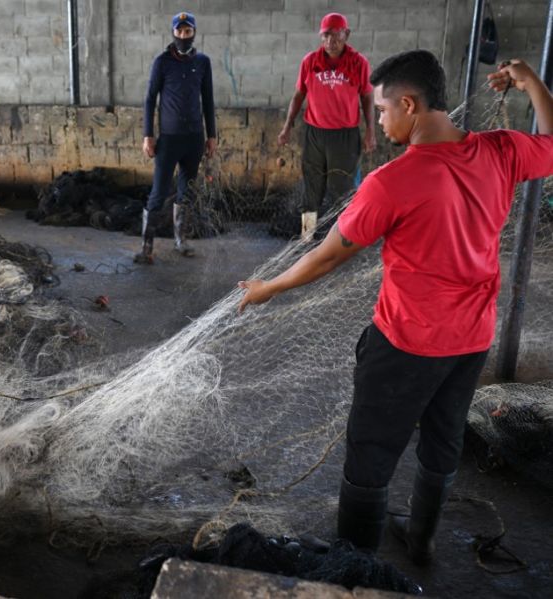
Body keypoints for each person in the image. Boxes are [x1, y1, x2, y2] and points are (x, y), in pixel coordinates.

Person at [237, 51, 553, 564]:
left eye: (383, 110)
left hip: (406, 342)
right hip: (472, 340)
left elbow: (325, 258)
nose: (380, 122)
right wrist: (531, 81)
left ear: (410, 104)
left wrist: (268, 288)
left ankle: (354, 565)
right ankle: (423, 543)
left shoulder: (392, 182)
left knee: (371, 453)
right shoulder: (501, 152)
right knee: (443, 440)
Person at [278, 12, 376, 239]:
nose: (331, 41)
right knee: (312, 187)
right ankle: (307, 235)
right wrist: (287, 127)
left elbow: (368, 98)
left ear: (347, 34)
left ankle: (345, 237)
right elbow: (298, 96)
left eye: (336, 35)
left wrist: (371, 130)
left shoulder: (358, 63)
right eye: (326, 36)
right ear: (321, 37)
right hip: (314, 133)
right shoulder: (310, 62)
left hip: (345, 136)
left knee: (344, 188)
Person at [135, 11, 217, 264]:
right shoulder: (162, 62)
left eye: (188, 31)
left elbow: (208, 100)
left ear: (194, 33)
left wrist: (211, 135)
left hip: (194, 138)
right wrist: (148, 135)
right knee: (158, 192)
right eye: (180, 31)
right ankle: (147, 246)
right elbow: (150, 99)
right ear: (173, 33)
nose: (184, 35)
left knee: (187, 192)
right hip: (169, 139)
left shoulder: (203, 62)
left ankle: (181, 240)